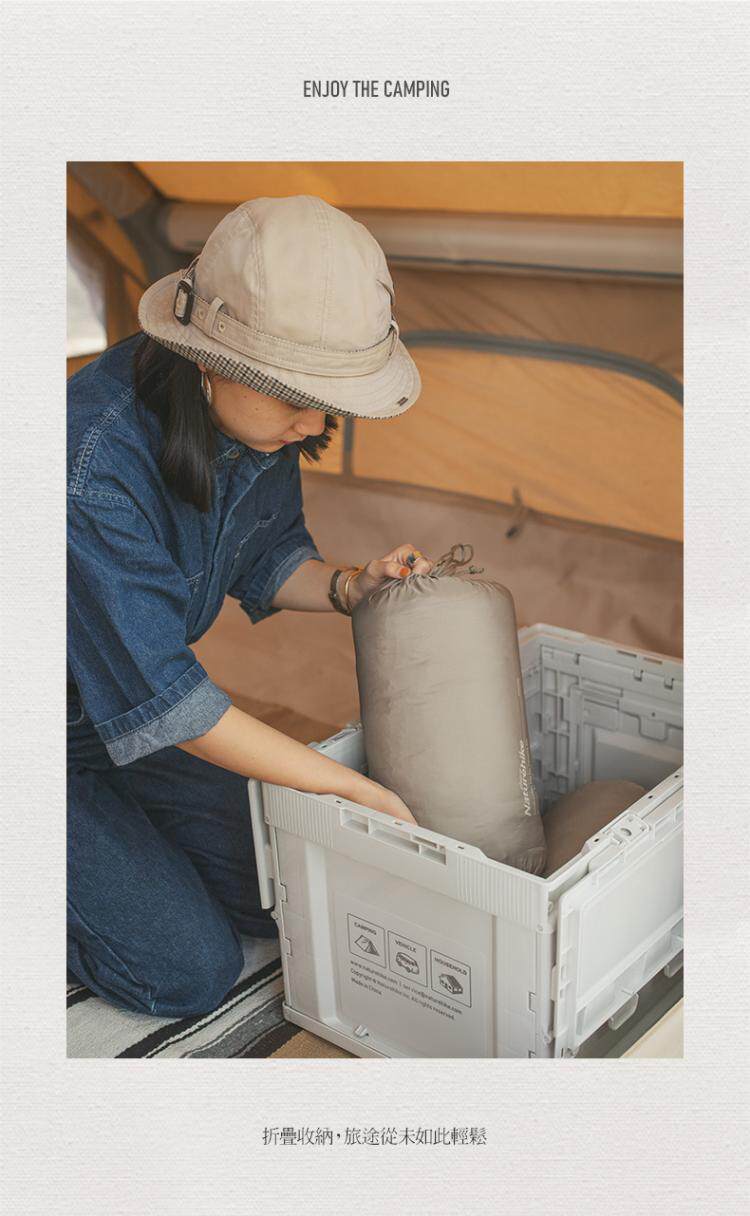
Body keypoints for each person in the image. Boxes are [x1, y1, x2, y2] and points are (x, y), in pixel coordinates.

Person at [67, 195, 433, 1018]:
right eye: (296, 395)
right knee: (186, 970)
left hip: (111, 718)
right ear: (207, 358)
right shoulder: (88, 469)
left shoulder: (254, 418)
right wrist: (349, 789)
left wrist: (350, 587)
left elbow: (266, 557)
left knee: (284, 888)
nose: (316, 420)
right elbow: (175, 707)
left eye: (328, 398)